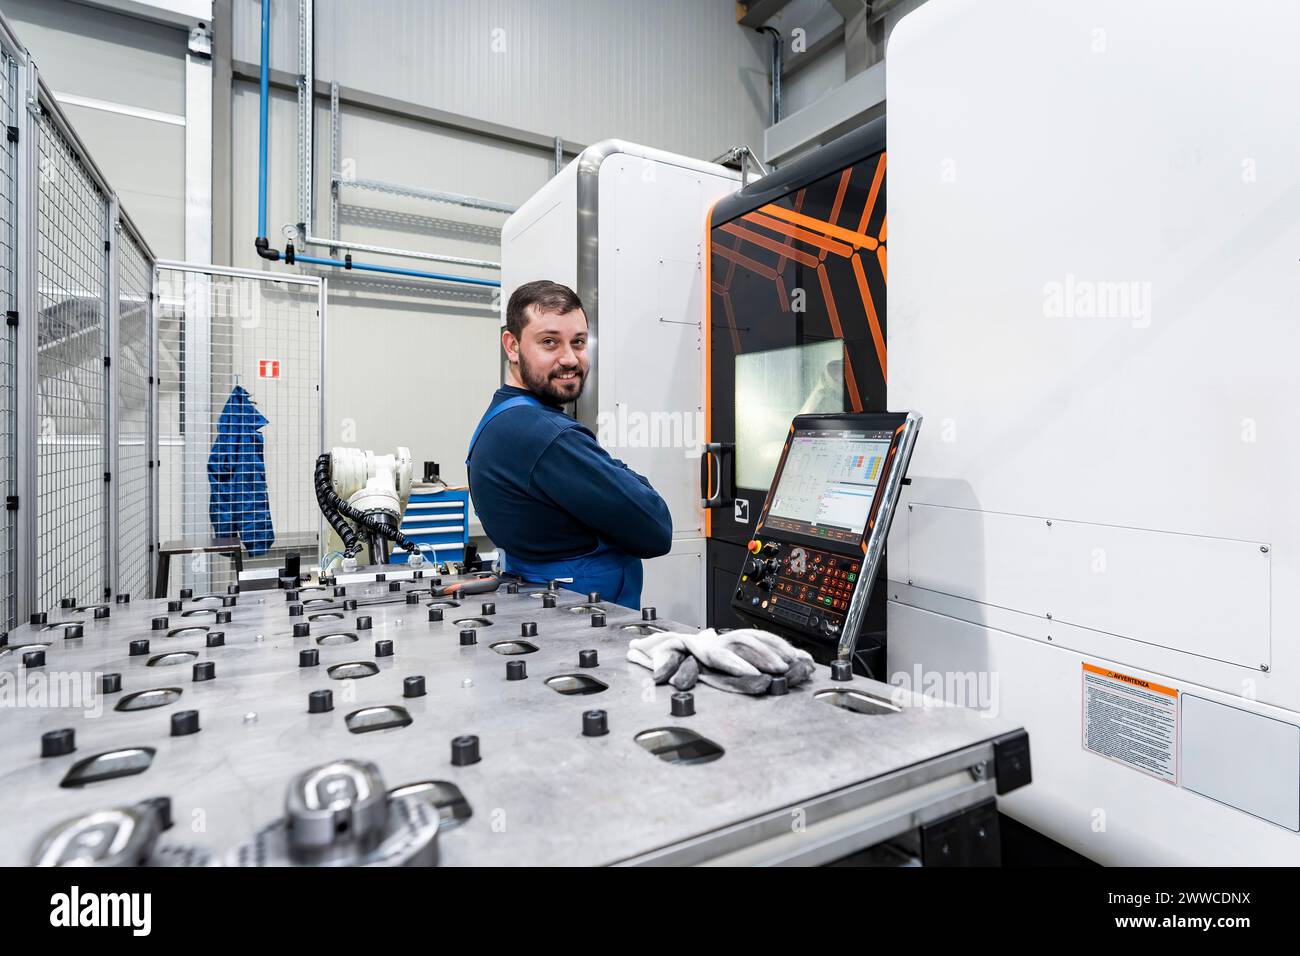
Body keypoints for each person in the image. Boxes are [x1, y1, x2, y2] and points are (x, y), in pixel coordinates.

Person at [466, 279, 672, 608]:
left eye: (578, 342)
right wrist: (623, 472)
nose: (570, 359)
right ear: (512, 345)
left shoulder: (503, 417)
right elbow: (656, 528)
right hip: (587, 629)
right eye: (549, 342)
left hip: (550, 610)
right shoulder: (543, 434)